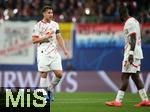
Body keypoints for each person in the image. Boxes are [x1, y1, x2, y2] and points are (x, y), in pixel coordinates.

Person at [105, 5, 150, 107]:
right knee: (135, 77)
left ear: (122, 14)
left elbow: (133, 38)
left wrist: (130, 54)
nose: (118, 18)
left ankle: (118, 101)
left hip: (132, 52)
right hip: (137, 52)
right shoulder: (135, 21)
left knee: (124, 76)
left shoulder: (129, 23)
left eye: (119, 16)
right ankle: (145, 100)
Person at [32, 6, 69, 102]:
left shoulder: (55, 24)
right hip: (43, 52)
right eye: (49, 13)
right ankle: (44, 95)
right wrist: (45, 38)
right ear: (43, 13)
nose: (51, 14)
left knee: (59, 74)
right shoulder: (38, 26)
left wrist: (64, 49)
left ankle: (50, 89)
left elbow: (59, 37)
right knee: (44, 73)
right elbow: (34, 40)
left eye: (52, 13)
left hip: (54, 52)